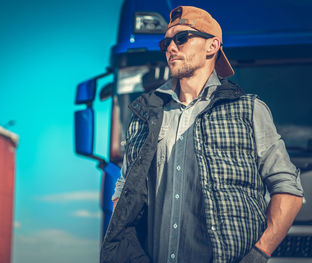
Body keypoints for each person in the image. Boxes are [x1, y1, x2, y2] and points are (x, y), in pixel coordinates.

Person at [100, 5, 304, 263]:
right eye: (166, 43)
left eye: (182, 38)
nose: (171, 48)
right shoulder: (144, 115)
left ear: (212, 46)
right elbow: (124, 191)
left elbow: (288, 189)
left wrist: (258, 254)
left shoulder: (249, 110)